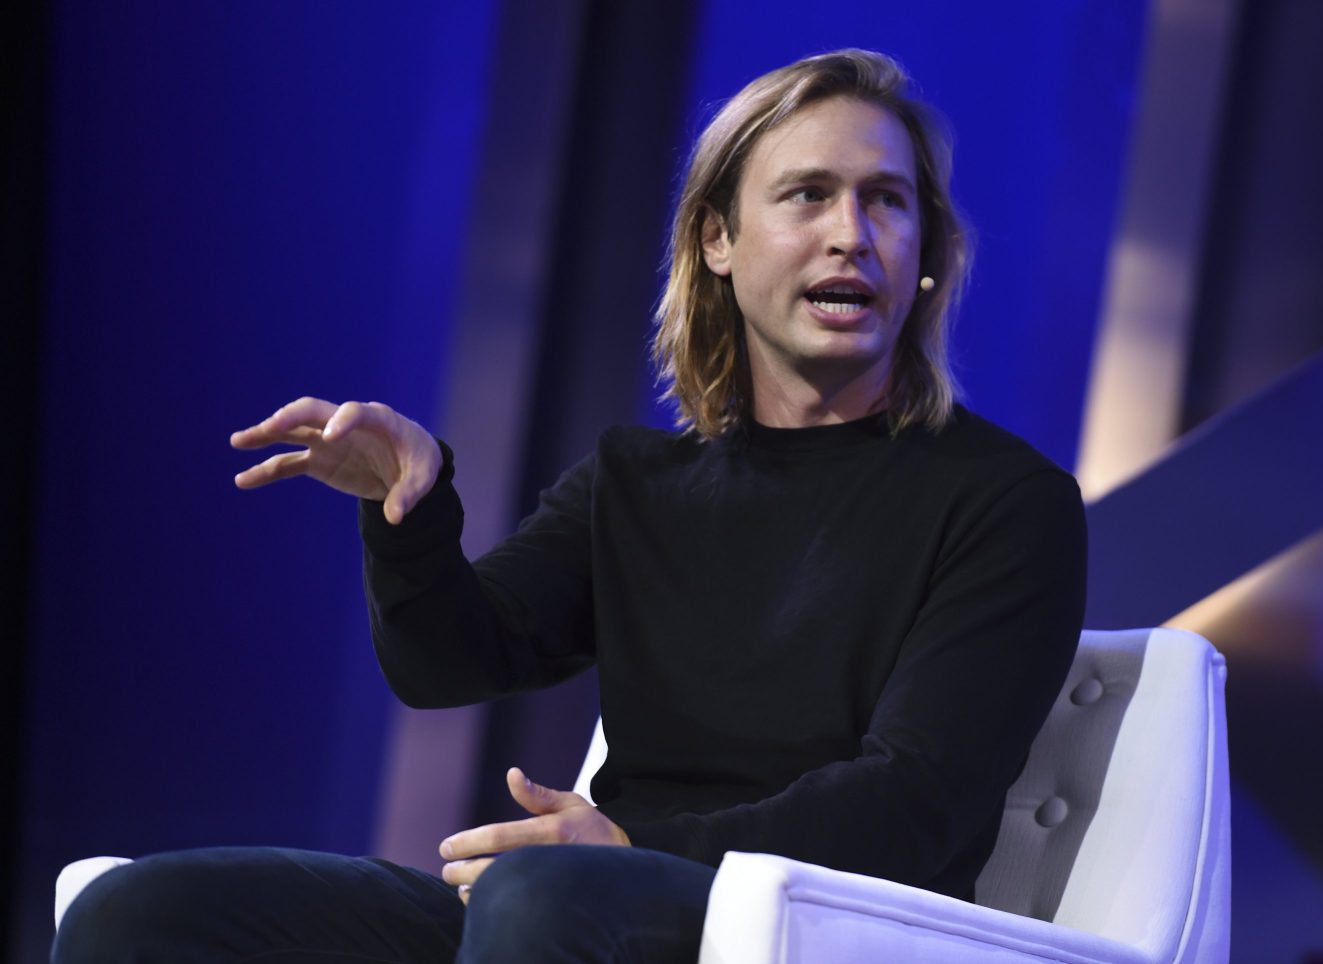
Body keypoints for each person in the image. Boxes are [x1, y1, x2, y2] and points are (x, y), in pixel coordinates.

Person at [53, 48, 1085, 963]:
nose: (851, 234)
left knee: (547, 895)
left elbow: (916, 801)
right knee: (138, 911)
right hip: (588, 897)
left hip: (807, 925)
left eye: (887, 201)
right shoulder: (639, 481)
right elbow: (453, 659)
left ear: (929, 253)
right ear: (719, 241)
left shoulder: (1005, 501)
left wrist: (636, 847)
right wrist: (406, 512)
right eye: (808, 195)